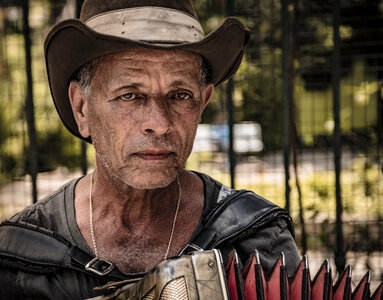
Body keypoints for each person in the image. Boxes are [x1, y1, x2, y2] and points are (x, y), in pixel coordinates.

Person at [0, 0, 301, 298]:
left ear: (203, 103)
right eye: (130, 95)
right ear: (81, 109)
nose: (159, 123)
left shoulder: (256, 243)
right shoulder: (18, 260)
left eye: (180, 95)